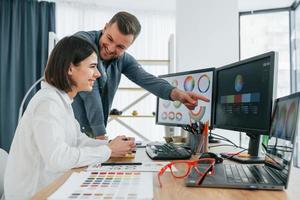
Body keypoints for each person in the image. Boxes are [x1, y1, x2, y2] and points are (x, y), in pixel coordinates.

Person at [4, 36, 135, 199]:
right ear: (69, 68)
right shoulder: (47, 102)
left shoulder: (61, 101)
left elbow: (78, 141)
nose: (98, 74)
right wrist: (108, 150)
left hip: (50, 187)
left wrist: (110, 145)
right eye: (92, 66)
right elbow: (57, 159)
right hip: (34, 194)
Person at [72, 11, 208, 139]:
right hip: (70, 131)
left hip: (91, 136)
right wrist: (101, 138)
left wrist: (179, 95)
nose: (111, 48)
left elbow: (148, 80)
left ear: (129, 46)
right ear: (105, 27)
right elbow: (90, 91)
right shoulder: (81, 43)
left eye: (120, 47)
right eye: (109, 39)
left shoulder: (123, 59)